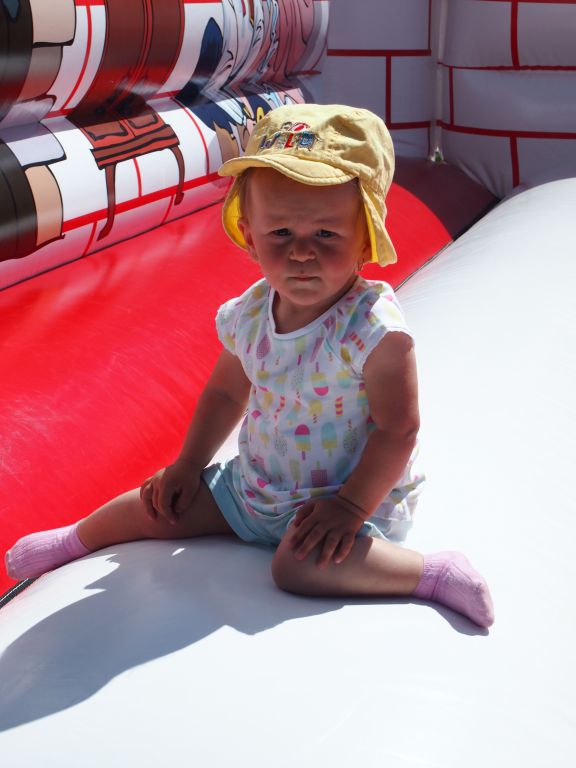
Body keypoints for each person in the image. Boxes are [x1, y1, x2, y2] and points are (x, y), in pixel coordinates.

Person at [5, 104, 494, 628]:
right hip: (256, 487)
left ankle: (432, 573)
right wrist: (188, 465)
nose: (301, 253)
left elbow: (399, 429)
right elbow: (224, 394)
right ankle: (74, 540)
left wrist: (351, 509)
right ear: (249, 233)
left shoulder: (372, 329)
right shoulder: (251, 313)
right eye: (280, 233)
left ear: (365, 235)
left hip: (345, 500)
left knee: (296, 569)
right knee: (155, 504)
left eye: (326, 235)